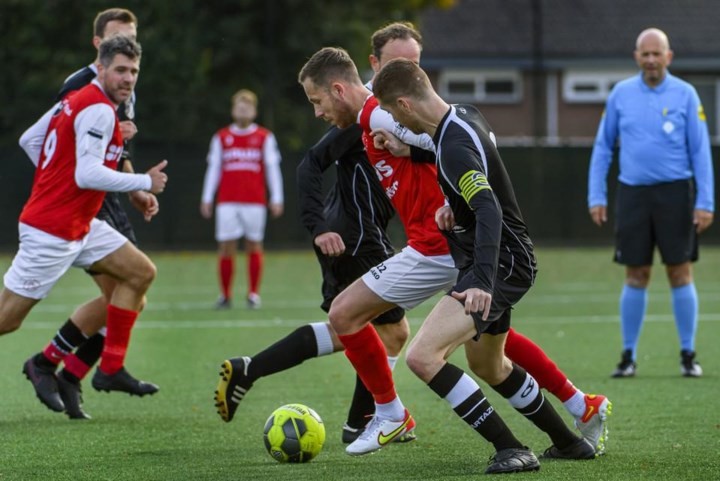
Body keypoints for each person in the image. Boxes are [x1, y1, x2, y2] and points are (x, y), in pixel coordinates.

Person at [216, 22, 609, 459]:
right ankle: (571, 433)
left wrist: (432, 175)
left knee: (384, 332)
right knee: (487, 361)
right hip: (448, 243)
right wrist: (426, 167)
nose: (316, 112)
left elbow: (470, 152)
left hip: (446, 249)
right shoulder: (407, 116)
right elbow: (458, 141)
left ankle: (415, 420)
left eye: (316, 101)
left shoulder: (386, 113)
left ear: (343, 89)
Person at [2, 36, 167, 421]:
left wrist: (54, 174)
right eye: (121, 70)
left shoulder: (79, 102)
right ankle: (56, 366)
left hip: (81, 225)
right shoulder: (96, 108)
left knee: (141, 273)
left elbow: (31, 140)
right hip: (50, 231)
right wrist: (144, 182)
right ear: (101, 67)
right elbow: (87, 173)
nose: (128, 79)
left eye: (134, 71)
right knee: (6, 320)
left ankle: (108, 368)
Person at [587, 28, 714, 378]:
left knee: (680, 271)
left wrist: (705, 202)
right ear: (636, 57)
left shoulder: (686, 95)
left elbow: (700, 151)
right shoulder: (620, 95)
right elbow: (602, 147)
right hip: (633, 194)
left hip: (676, 193)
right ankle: (628, 356)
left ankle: (688, 354)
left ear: (668, 57)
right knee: (636, 273)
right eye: (645, 54)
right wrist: (596, 194)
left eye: (657, 53)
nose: (652, 60)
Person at [200, 89, 284, 310]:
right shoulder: (221, 137)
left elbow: (272, 168)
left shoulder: (264, 137)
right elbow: (214, 169)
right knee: (226, 246)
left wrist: (277, 197)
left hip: (255, 201)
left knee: (254, 244)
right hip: (227, 200)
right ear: (232, 110)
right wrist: (207, 197)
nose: (243, 110)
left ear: (255, 111)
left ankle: (253, 294)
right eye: (239, 106)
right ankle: (225, 295)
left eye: (247, 107)